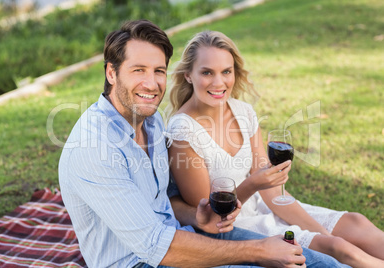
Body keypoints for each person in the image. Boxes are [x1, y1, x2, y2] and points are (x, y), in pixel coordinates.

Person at [58, 20, 350, 268]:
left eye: (158, 71)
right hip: (142, 261)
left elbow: (166, 202)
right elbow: (155, 246)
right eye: (138, 70)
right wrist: (259, 251)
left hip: (182, 235)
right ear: (111, 73)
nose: (151, 83)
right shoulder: (95, 147)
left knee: (312, 261)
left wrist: (197, 216)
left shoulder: (151, 121)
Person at [165, 30, 384, 268]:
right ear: (188, 75)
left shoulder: (242, 111)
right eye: (207, 72)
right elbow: (213, 217)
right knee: (339, 249)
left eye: (226, 71)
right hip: (236, 226)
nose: (219, 83)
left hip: (263, 204)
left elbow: (272, 193)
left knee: (355, 223)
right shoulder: (182, 132)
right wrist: (254, 184)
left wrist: (322, 231)